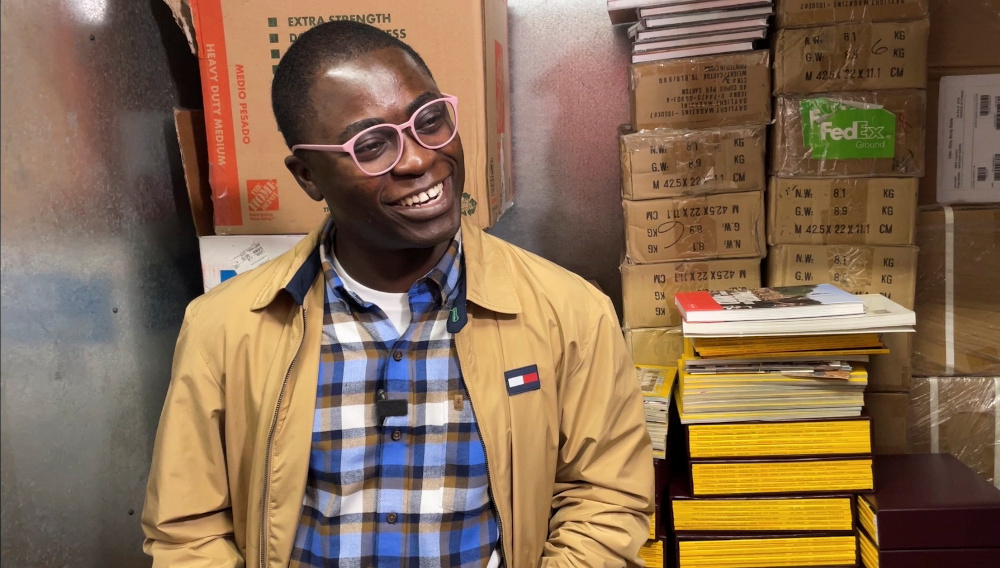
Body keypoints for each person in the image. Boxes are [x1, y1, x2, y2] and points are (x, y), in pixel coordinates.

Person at [141, 20, 653, 567]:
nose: (416, 160)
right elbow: (187, 530)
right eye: (372, 145)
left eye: (429, 121)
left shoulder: (571, 315)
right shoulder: (225, 328)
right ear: (307, 175)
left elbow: (606, 499)